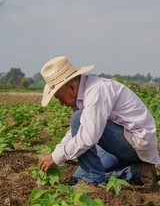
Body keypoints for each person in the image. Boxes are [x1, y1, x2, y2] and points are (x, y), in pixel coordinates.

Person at [39, 56, 160, 188]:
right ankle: (138, 171)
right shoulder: (84, 94)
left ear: (71, 87)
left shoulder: (97, 90)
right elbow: (76, 131)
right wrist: (55, 153)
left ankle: (92, 182)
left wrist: (56, 157)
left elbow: (88, 136)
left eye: (60, 97)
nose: (61, 103)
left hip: (136, 143)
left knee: (78, 120)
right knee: (79, 175)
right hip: (120, 142)